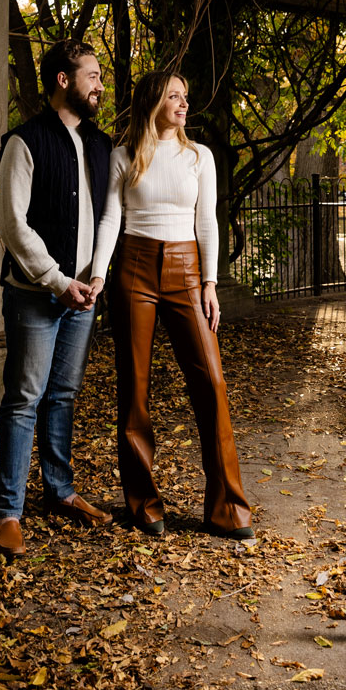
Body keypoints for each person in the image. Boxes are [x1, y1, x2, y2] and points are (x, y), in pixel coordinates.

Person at [88, 70, 253, 541]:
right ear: (154, 102)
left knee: (212, 381)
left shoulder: (199, 156)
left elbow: (208, 222)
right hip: (134, 270)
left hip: (186, 271)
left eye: (186, 96)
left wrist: (211, 282)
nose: (184, 104)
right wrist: (99, 274)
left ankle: (228, 508)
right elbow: (110, 220)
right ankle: (143, 502)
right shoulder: (124, 157)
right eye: (174, 96)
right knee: (134, 388)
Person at [0, 38, 114, 558]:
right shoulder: (24, 141)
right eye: (92, 76)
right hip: (37, 296)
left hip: (85, 295)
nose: (100, 85)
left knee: (62, 395)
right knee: (24, 399)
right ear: (64, 80)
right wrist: (59, 281)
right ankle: (7, 512)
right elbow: (13, 226)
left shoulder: (103, 144)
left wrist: (97, 275)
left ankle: (59, 491)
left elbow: (111, 214)